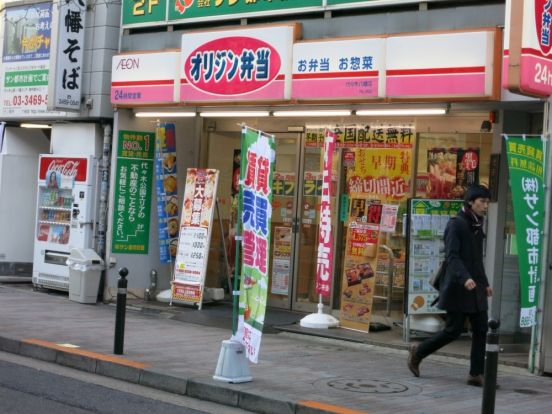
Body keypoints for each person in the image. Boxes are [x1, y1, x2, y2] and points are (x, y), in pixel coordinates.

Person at [407, 184, 493, 387]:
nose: (485, 206)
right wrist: (465, 278)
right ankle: (418, 351)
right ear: (471, 202)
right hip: (458, 286)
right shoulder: (456, 224)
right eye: (482, 202)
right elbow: (452, 256)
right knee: (453, 330)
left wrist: (485, 283)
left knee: (481, 328)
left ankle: (476, 374)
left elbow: (476, 259)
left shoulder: (477, 224)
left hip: (475, 286)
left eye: (487, 202)